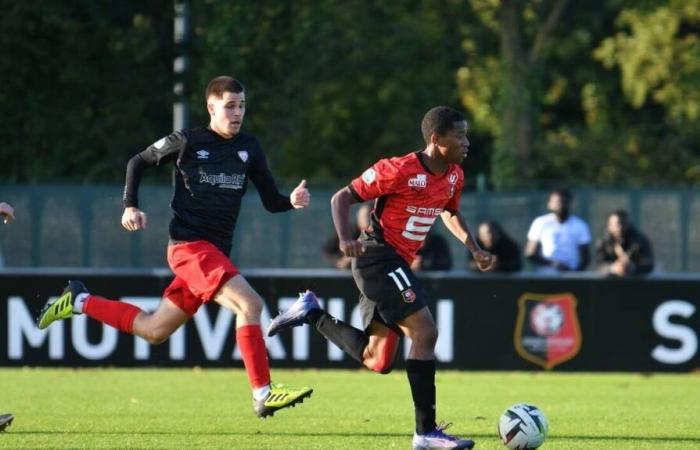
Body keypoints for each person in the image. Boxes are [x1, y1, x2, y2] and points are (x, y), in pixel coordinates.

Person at [36, 76, 313, 418]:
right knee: (250, 304)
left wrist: (291, 201)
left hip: (214, 255)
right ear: (211, 107)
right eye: (229, 106)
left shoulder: (249, 148)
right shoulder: (188, 141)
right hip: (190, 248)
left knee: (154, 331)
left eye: (241, 105)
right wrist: (130, 205)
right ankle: (263, 393)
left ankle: (79, 300)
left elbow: (271, 200)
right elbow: (137, 162)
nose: (237, 112)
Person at [268, 106, 495, 450]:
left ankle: (311, 312)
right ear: (436, 139)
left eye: (466, 135)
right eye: (460, 135)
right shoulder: (399, 169)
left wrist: (474, 247)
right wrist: (345, 239)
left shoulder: (453, 176)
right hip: (377, 257)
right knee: (426, 331)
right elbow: (341, 197)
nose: (467, 142)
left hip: (396, 263)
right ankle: (426, 433)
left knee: (378, 360)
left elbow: (449, 211)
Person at [524, 188, 591, 273]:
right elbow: (530, 253)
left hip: (571, 278)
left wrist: (574, 274)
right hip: (546, 277)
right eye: (557, 202)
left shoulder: (580, 225)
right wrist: (553, 264)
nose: (561, 205)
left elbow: (586, 258)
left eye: (564, 202)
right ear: (549, 204)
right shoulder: (540, 222)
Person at [596, 209, 654, 276]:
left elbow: (649, 263)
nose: (620, 227)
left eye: (623, 223)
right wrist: (613, 268)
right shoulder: (604, 242)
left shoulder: (640, 240)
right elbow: (599, 265)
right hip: (609, 284)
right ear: (609, 225)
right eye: (617, 224)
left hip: (636, 282)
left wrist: (633, 267)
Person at [322, 203, 371, 269]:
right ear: (359, 217)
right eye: (366, 216)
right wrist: (341, 261)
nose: (367, 220)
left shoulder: (377, 234)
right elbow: (327, 251)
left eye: (369, 217)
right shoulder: (346, 231)